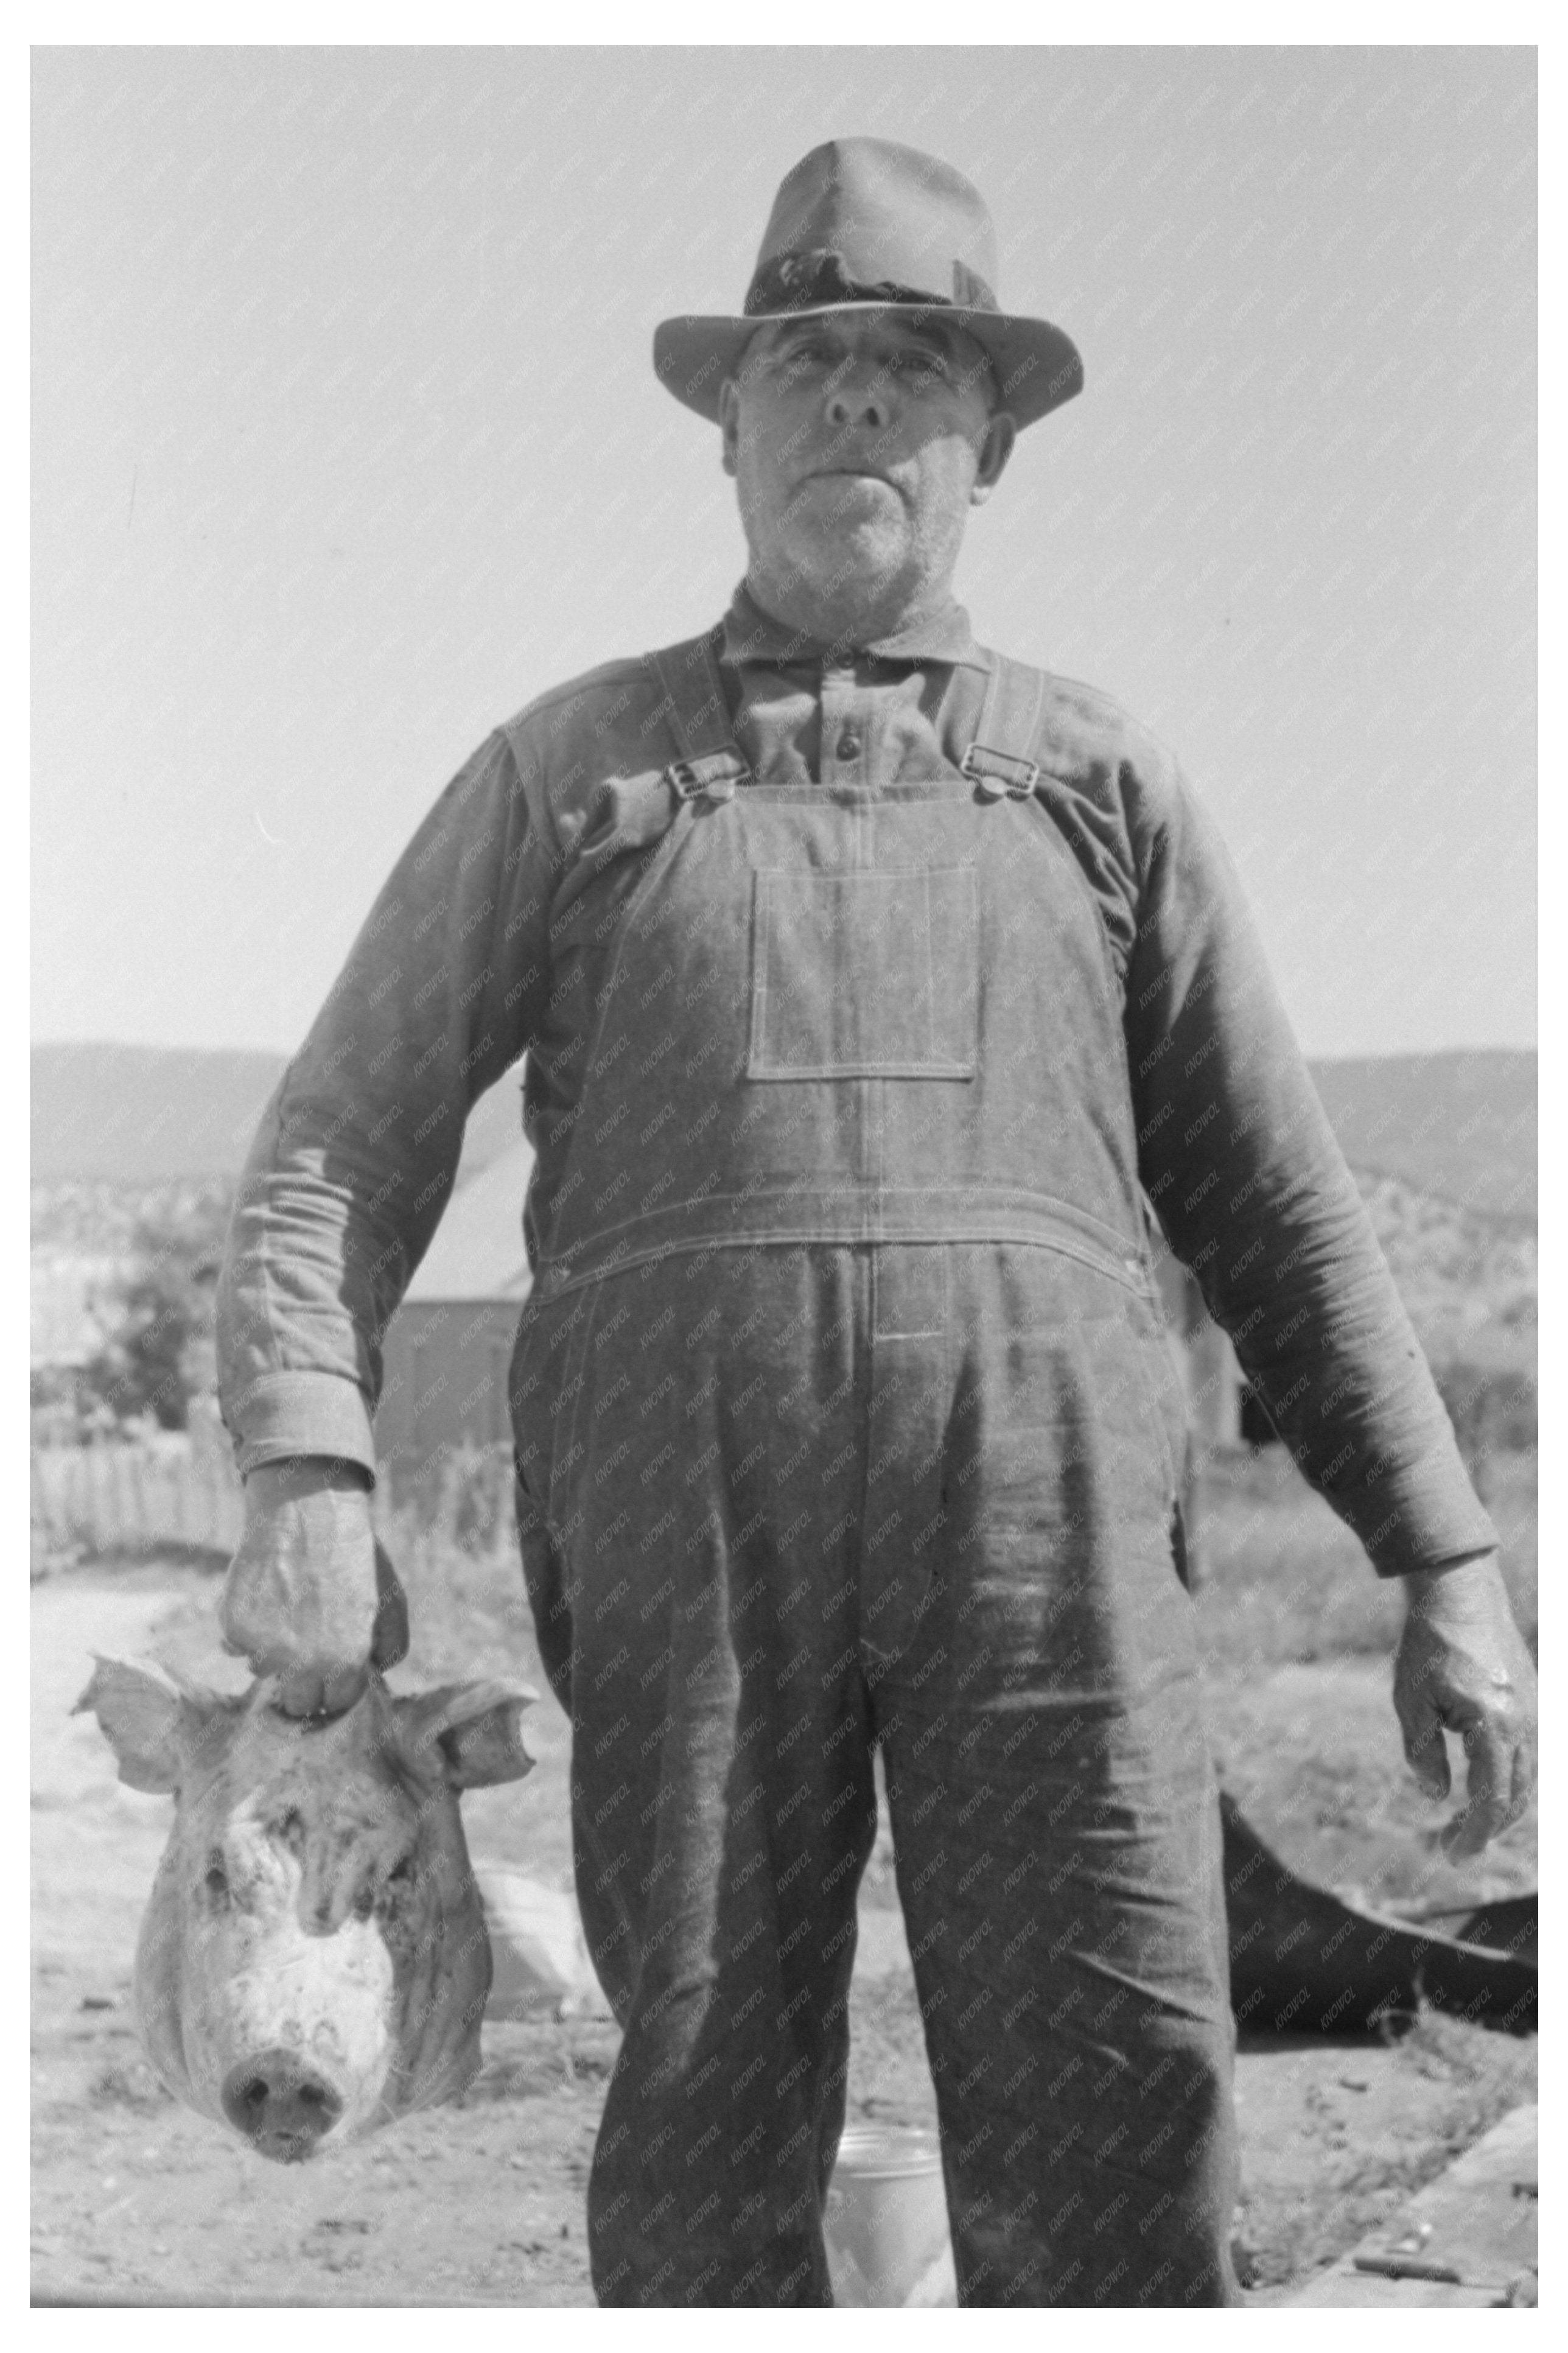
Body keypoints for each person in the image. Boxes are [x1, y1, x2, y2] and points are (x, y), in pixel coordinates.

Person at [216, 138, 1537, 2306]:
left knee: (1120, 2086)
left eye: (910, 365)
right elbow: (339, 1136)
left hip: (1056, 1566)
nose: (853, 401)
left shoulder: (1104, 785)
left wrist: (1451, 1559)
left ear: (988, 437)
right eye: (807, 359)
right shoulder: (570, 776)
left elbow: (1284, 1211)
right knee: (713, 2104)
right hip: (684, 1548)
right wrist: (304, 1458)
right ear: (727, 426)